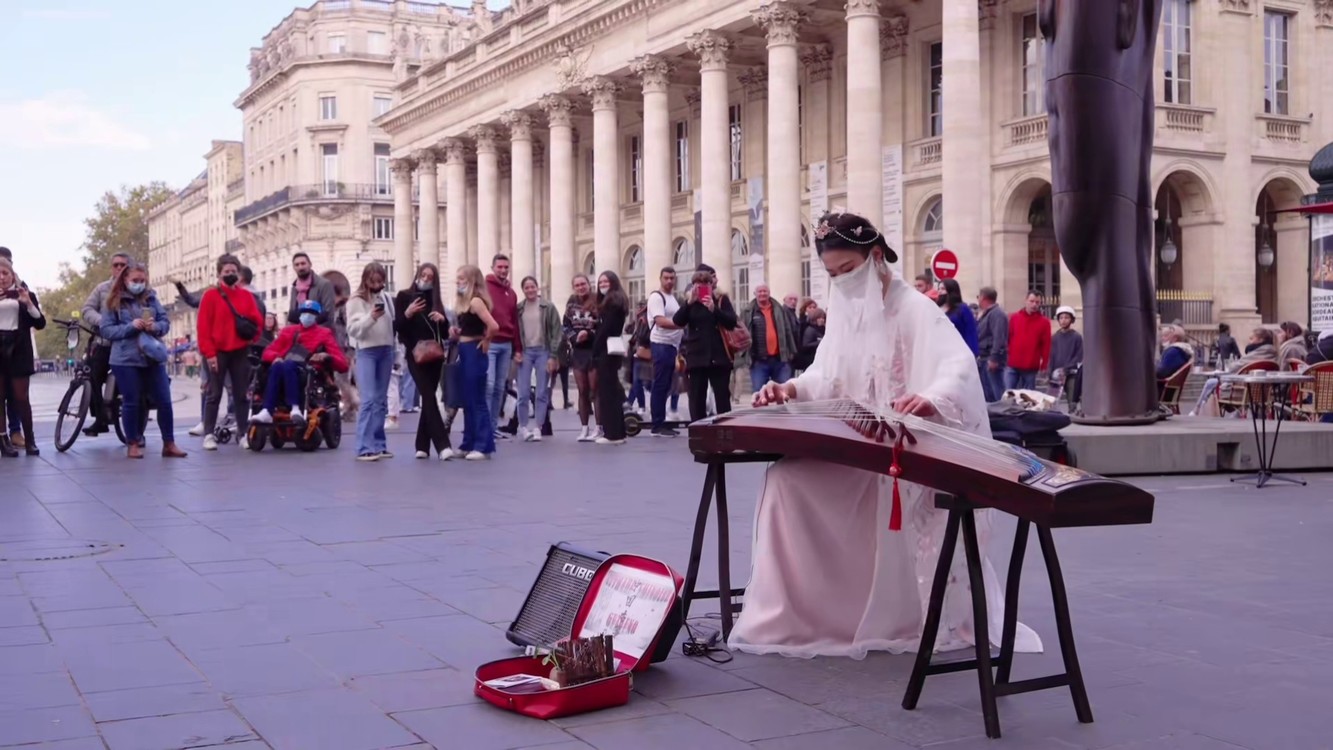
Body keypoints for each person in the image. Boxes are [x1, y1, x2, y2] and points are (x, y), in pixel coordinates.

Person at [740, 211, 1041, 659]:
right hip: (860, 447)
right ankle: (810, 613)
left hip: (906, 452)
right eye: (832, 274)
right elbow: (827, 374)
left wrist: (932, 398)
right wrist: (791, 389)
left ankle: (896, 611)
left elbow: (957, 366)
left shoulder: (914, 307)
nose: (841, 281)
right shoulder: (846, 313)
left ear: (875, 255)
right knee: (786, 481)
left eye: (848, 269)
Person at [98, 262, 186, 459]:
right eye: (135, 280)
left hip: (152, 357)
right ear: (125, 280)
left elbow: (165, 322)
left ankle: (169, 443)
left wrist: (155, 327)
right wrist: (131, 327)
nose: (139, 284)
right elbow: (106, 330)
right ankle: (133, 443)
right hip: (125, 358)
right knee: (132, 401)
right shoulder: (113, 301)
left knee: (164, 400)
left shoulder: (151, 298)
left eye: (142, 280)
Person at [197, 254, 262, 450]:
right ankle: (209, 434)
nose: (230, 274)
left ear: (239, 274)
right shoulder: (210, 296)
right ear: (219, 274)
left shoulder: (246, 296)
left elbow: (257, 321)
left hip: (240, 351)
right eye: (226, 271)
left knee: (241, 394)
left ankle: (242, 433)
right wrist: (209, 354)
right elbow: (203, 327)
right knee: (214, 394)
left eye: (233, 271)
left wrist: (252, 338)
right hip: (217, 352)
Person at [254, 300, 348, 425]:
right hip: (283, 367)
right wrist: (276, 357)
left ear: (316, 316)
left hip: (308, 371)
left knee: (288, 365)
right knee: (278, 365)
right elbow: (267, 352)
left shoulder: (324, 333)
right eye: (304, 312)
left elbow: (343, 364)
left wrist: (327, 357)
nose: (307, 316)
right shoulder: (288, 331)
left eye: (311, 313)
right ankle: (267, 410)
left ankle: (295, 408)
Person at [395, 263, 454, 460]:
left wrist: (442, 320)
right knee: (429, 396)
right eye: (424, 275)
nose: (426, 279)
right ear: (417, 275)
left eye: (430, 277)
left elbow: (445, 335)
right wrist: (408, 313)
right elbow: (399, 328)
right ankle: (443, 445)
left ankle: (422, 445)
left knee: (428, 398)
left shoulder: (436, 300)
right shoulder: (404, 297)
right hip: (415, 355)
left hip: (435, 355)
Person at [343, 262, 396, 461]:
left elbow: (392, 326)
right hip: (366, 351)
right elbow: (353, 330)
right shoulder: (355, 301)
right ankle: (364, 447)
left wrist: (396, 351)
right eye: (373, 282)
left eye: (380, 281)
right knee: (368, 400)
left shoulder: (385, 298)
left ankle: (379, 444)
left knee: (381, 401)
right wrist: (371, 317)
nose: (377, 285)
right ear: (365, 280)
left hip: (386, 350)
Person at [671, 264, 738, 422]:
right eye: (698, 284)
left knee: (722, 397)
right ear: (693, 285)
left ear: (711, 284)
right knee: (696, 398)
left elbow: (731, 322)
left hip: (718, 356)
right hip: (697, 357)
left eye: (705, 283)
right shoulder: (690, 303)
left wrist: (715, 309)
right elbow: (677, 321)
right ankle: (698, 429)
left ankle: (725, 428)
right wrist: (689, 303)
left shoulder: (721, 300)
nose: (701, 287)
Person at [80, 252, 133, 436]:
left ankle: (130, 422)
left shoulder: (135, 288)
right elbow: (87, 309)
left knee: (128, 380)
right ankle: (100, 419)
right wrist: (103, 321)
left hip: (126, 344)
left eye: (122, 265)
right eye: (115, 265)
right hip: (104, 343)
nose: (118, 268)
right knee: (92, 376)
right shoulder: (102, 288)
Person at [453, 264, 500, 460]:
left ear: (472, 281)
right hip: (465, 350)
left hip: (474, 350)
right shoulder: (465, 302)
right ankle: (469, 443)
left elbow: (493, 325)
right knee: (468, 399)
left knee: (477, 399)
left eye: (462, 279)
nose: (458, 282)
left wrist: (487, 340)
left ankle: (483, 445)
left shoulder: (476, 301)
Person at [0, 256, 44, 457]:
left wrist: (28, 304)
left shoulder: (25, 294)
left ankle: (30, 440)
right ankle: (3, 441)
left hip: (19, 349)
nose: (1, 278)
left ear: (12, 275)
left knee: (21, 397)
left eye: (5, 273)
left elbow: (40, 323)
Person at [514, 276, 562, 442]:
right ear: (523, 290)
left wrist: (553, 355)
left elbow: (557, 331)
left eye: (532, 286)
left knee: (542, 392)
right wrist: (516, 350)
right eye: (526, 287)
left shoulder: (548, 307)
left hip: (543, 350)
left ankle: (538, 427)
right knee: (523, 392)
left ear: (537, 288)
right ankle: (523, 426)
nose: (530, 290)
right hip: (525, 351)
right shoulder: (519, 308)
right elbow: (515, 331)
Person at [485, 255, 522, 438]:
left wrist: (518, 348)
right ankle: (484, 428)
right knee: (489, 385)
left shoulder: (511, 293)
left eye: (506, 267)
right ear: (492, 267)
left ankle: (492, 428)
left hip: (506, 345)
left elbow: (514, 322)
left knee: (500, 387)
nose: (503, 270)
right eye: (499, 267)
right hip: (490, 343)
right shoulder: (484, 288)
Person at [592, 271, 630, 446]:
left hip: (606, 350)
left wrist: (595, 350)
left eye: (605, 281)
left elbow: (605, 330)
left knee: (607, 393)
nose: (602, 284)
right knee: (612, 390)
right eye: (600, 282)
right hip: (613, 349)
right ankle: (618, 431)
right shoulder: (618, 301)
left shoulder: (612, 303)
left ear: (613, 282)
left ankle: (612, 434)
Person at [645, 267, 684, 437]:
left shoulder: (672, 298)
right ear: (660, 279)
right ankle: (657, 425)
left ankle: (661, 422)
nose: (669, 281)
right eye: (666, 278)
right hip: (661, 344)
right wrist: (681, 324)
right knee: (660, 384)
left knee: (666, 384)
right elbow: (660, 321)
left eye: (672, 278)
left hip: (671, 346)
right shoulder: (656, 297)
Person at [563, 274, 601, 441]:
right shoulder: (571, 303)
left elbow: (602, 325)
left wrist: (589, 333)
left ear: (588, 284)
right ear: (574, 287)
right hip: (578, 351)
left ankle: (599, 427)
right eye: (577, 285)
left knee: (595, 390)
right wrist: (573, 337)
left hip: (593, 350)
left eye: (583, 284)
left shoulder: (598, 301)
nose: (581, 287)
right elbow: (565, 325)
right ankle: (584, 428)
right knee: (582, 390)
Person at [742, 284, 799, 394]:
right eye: (760, 291)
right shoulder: (748, 311)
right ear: (755, 294)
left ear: (769, 293)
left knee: (783, 393)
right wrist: (743, 355)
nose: (762, 294)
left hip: (780, 360)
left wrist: (792, 351)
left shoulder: (779, 309)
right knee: (759, 394)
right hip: (758, 361)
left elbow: (787, 330)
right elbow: (742, 333)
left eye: (765, 291)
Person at [1005, 291, 1051, 391]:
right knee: (1008, 394)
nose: (1034, 305)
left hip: (1030, 366)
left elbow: (1046, 345)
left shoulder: (1044, 323)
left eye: (1037, 302)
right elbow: (1008, 338)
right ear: (1026, 300)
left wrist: (1044, 365)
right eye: (1032, 301)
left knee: (1028, 396)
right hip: (1012, 364)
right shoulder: (1014, 318)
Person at [286, 252, 338, 332]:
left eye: (303, 263)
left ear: (310, 264)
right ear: (294, 267)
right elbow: (292, 315)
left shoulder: (324, 284)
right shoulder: (294, 287)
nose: (300, 267)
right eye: (297, 265)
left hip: (319, 334)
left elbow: (328, 314)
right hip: (299, 334)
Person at [974, 287, 1008, 402]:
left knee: (997, 393)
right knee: (988, 393)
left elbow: (999, 338)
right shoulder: (988, 314)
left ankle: (1002, 412)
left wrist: (994, 358)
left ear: (983, 298)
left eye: (978, 297)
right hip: (984, 357)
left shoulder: (997, 314)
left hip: (991, 359)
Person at [1048, 305, 1084, 397]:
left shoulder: (1076, 337)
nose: (1063, 320)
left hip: (1071, 374)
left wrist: (1065, 369)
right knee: (1052, 399)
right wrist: (1050, 372)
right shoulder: (1054, 337)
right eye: (1061, 318)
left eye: (1066, 317)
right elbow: (1051, 356)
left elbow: (1079, 356)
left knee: (1072, 398)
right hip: (1056, 375)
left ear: (1072, 320)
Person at [938, 278, 978, 356]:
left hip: (959, 351)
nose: (939, 291)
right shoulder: (937, 308)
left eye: (943, 289)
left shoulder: (962, 309)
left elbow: (970, 331)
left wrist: (972, 353)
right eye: (939, 289)